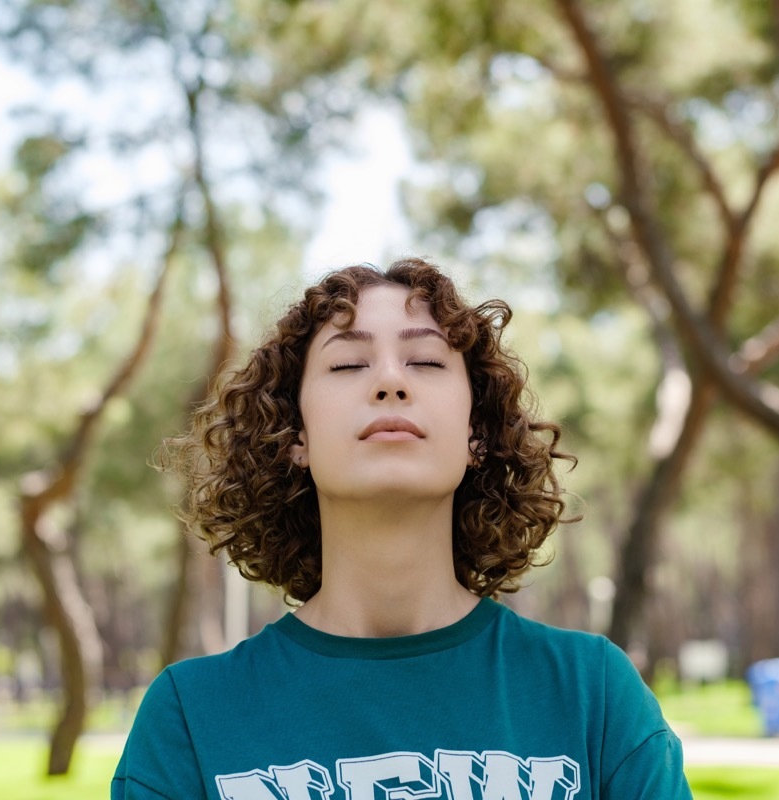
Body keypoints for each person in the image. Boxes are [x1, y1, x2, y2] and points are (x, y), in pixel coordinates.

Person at [112, 258, 692, 800]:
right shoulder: (191, 714)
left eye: (426, 362)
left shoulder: (594, 694)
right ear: (295, 438)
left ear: (476, 435)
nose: (390, 381)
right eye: (347, 364)